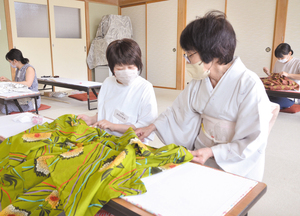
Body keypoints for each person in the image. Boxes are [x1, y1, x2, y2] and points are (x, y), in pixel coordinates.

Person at [136, 11, 274, 181]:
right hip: (200, 152)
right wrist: (153, 126)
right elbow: (178, 112)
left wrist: (212, 152)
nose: (187, 60)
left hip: (231, 161)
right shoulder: (200, 81)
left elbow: (252, 139)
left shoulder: (249, 84)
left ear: (211, 53)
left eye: (190, 54)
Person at [78, 38, 157, 142]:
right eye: (120, 69)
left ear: (138, 65)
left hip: (131, 142)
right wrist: (91, 119)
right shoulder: (107, 82)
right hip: (106, 139)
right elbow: (105, 113)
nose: (126, 72)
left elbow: (145, 128)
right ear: (112, 68)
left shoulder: (145, 87)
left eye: (131, 67)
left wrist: (113, 126)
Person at [0, 48, 41, 114]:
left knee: (4, 107)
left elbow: (28, 84)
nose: (10, 63)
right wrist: (7, 80)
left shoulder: (29, 68)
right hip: (20, 98)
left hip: (29, 101)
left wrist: (10, 82)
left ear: (15, 61)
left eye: (10, 61)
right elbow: (17, 84)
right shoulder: (18, 70)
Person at [263, 43, 300, 109]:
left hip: (289, 95)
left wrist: (288, 75)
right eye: (278, 58)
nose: (280, 59)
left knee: (272, 103)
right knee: (259, 98)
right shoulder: (278, 62)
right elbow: (275, 77)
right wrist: (268, 73)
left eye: (282, 57)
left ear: (290, 53)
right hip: (276, 91)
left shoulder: (297, 62)